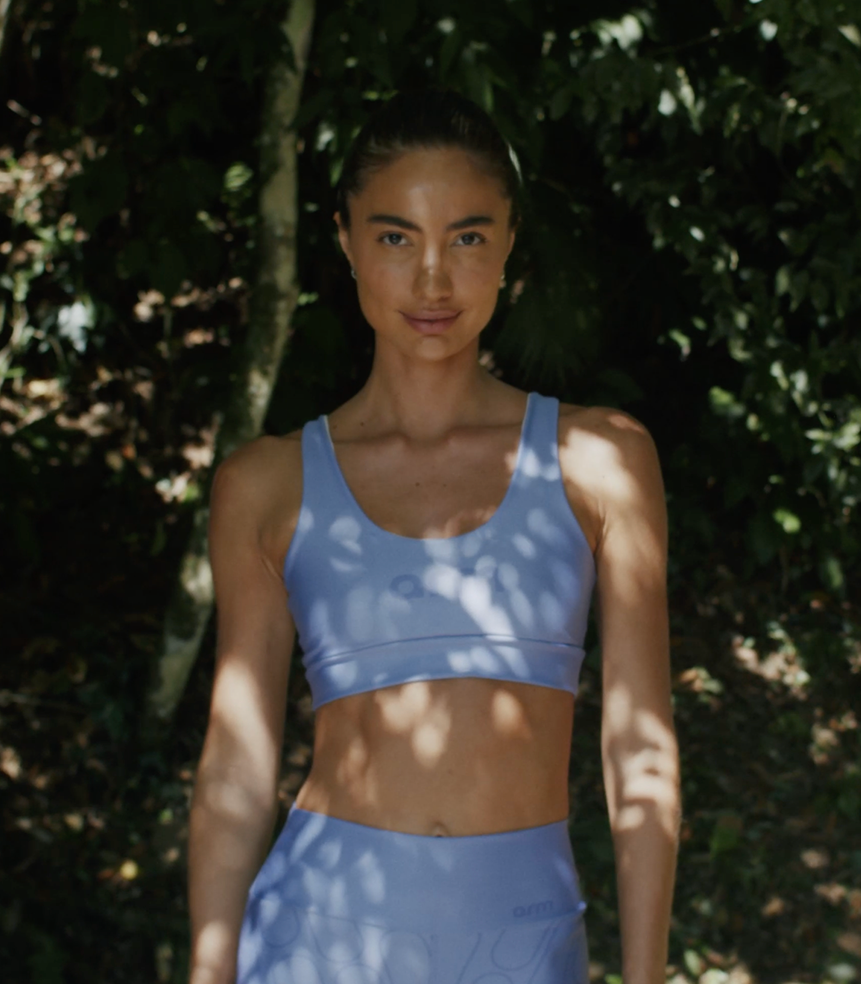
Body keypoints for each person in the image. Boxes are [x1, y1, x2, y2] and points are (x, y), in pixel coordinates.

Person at [186, 89, 679, 984]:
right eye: (395, 237)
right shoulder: (266, 484)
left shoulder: (603, 460)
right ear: (344, 239)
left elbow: (640, 749)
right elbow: (236, 767)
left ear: (510, 241)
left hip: (524, 951)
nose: (432, 280)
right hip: (315, 943)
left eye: (467, 237)